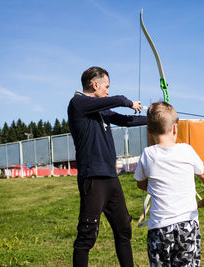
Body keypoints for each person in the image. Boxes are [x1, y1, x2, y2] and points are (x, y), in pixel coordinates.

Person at [68, 66, 147, 267]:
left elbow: (125, 120)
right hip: (93, 179)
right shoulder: (78, 104)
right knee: (86, 236)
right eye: (106, 86)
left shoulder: (100, 109)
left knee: (123, 230)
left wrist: (155, 118)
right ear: (95, 85)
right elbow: (118, 100)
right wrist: (127, 102)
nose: (108, 91)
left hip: (111, 179)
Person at [133, 102, 204, 266]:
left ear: (149, 133)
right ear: (174, 129)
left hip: (159, 229)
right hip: (187, 226)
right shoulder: (187, 150)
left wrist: (152, 186)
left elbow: (140, 184)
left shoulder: (148, 153)